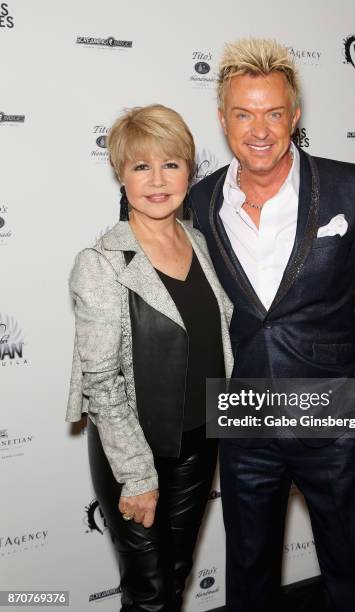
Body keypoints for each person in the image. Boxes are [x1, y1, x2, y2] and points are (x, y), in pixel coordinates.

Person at [187, 39, 355, 612]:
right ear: (223, 120)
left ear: (295, 116)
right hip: (244, 423)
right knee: (248, 579)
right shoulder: (199, 201)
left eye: (273, 112)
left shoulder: (352, 188)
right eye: (244, 113)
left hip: (332, 418)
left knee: (351, 576)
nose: (259, 129)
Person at [66, 104, 233, 612]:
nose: (158, 181)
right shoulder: (101, 263)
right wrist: (137, 475)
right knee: (150, 593)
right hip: (134, 450)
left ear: (190, 169)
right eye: (141, 167)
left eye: (171, 164)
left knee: (176, 577)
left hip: (200, 442)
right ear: (122, 175)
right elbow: (103, 381)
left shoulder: (200, 242)